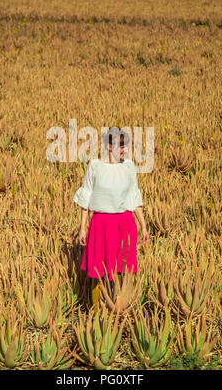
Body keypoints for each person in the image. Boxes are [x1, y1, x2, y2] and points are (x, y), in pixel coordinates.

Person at [73, 126, 150, 312]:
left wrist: (144, 226)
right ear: (108, 146)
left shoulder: (129, 166)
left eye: (125, 146)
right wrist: (83, 228)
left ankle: (117, 306)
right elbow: (87, 198)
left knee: (122, 269)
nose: (123, 150)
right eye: (119, 146)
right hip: (101, 224)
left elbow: (134, 197)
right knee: (97, 270)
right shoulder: (95, 166)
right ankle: (95, 311)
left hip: (124, 224)